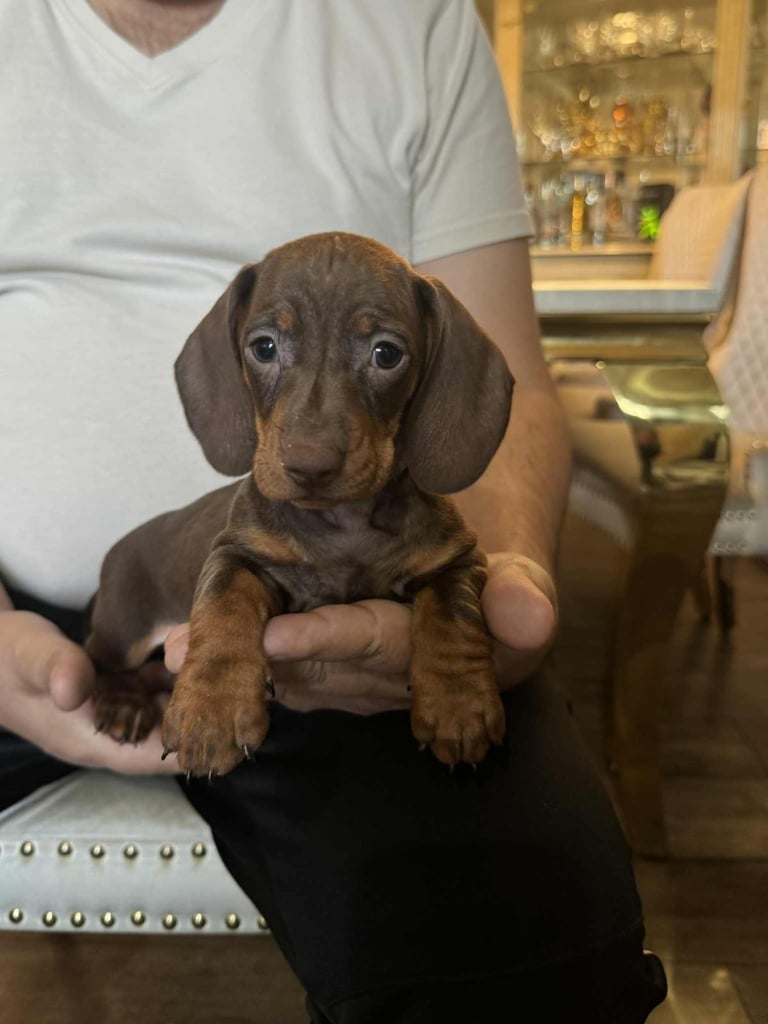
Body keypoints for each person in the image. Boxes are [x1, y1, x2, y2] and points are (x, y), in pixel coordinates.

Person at [0, 1, 667, 1020]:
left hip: (358, 656)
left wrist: (501, 587)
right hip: (43, 613)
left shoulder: (417, 22)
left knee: (541, 932)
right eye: (267, 349)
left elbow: (508, 384)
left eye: (383, 353)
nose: (309, 447)